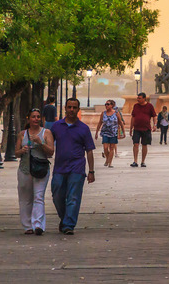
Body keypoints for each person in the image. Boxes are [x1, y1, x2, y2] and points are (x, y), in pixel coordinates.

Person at [50, 98, 95, 235]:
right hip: (59, 168)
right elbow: (49, 145)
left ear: (78, 109)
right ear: (65, 108)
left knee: (73, 198)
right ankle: (64, 219)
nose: (71, 110)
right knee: (57, 195)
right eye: (69, 107)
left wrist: (91, 171)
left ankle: (69, 225)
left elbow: (89, 151)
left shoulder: (83, 128)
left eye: (74, 107)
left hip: (77, 168)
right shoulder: (56, 126)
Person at [15, 109, 55, 235]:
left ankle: (38, 224)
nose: (36, 119)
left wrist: (40, 142)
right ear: (29, 119)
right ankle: (27, 226)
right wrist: (22, 151)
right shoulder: (22, 134)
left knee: (38, 196)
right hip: (25, 169)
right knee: (25, 198)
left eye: (38, 117)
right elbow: (16, 152)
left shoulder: (46, 132)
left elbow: (51, 152)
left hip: (41, 169)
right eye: (33, 117)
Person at [95, 100, 124, 168]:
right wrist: (96, 132)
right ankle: (107, 159)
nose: (106, 106)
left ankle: (110, 162)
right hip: (105, 132)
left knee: (112, 148)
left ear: (112, 105)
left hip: (113, 132)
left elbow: (120, 122)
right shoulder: (103, 113)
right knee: (105, 148)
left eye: (108, 104)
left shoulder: (116, 113)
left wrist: (123, 131)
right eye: (105, 104)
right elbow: (100, 123)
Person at [130, 92, 156, 167]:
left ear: (144, 98)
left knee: (144, 145)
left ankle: (143, 161)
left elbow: (154, 116)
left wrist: (155, 125)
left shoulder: (150, 106)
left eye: (139, 98)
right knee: (135, 144)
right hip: (137, 128)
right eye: (137, 98)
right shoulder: (135, 106)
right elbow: (133, 117)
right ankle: (135, 161)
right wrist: (131, 128)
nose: (138, 99)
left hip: (146, 128)